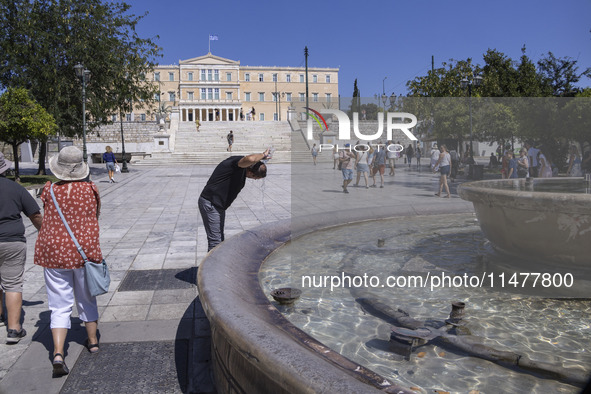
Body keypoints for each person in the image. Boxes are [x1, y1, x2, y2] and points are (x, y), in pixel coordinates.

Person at [34, 146, 102, 376]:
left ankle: (58, 353)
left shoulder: (48, 189)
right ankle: (92, 342)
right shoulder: (90, 189)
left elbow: (46, 212)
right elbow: (95, 214)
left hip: (54, 252)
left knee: (58, 304)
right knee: (86, 298)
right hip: (84, 251)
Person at [0, 153, 43, 343]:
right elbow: (34, 214)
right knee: (13, 284)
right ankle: (14, 329)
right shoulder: (15, 188)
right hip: (12, 241)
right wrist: (44, 232)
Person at [199, 149, 270, 251]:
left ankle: (216, 265)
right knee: (215, 242)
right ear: (250, 171)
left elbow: (252, 160)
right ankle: (212, 267)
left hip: (217, 205)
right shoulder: (236, 164)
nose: (254, 179)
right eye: (255, 177)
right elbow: (250, 158)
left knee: (219, 240)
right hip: (211, 204)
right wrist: (263, 155)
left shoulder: (242, 168)